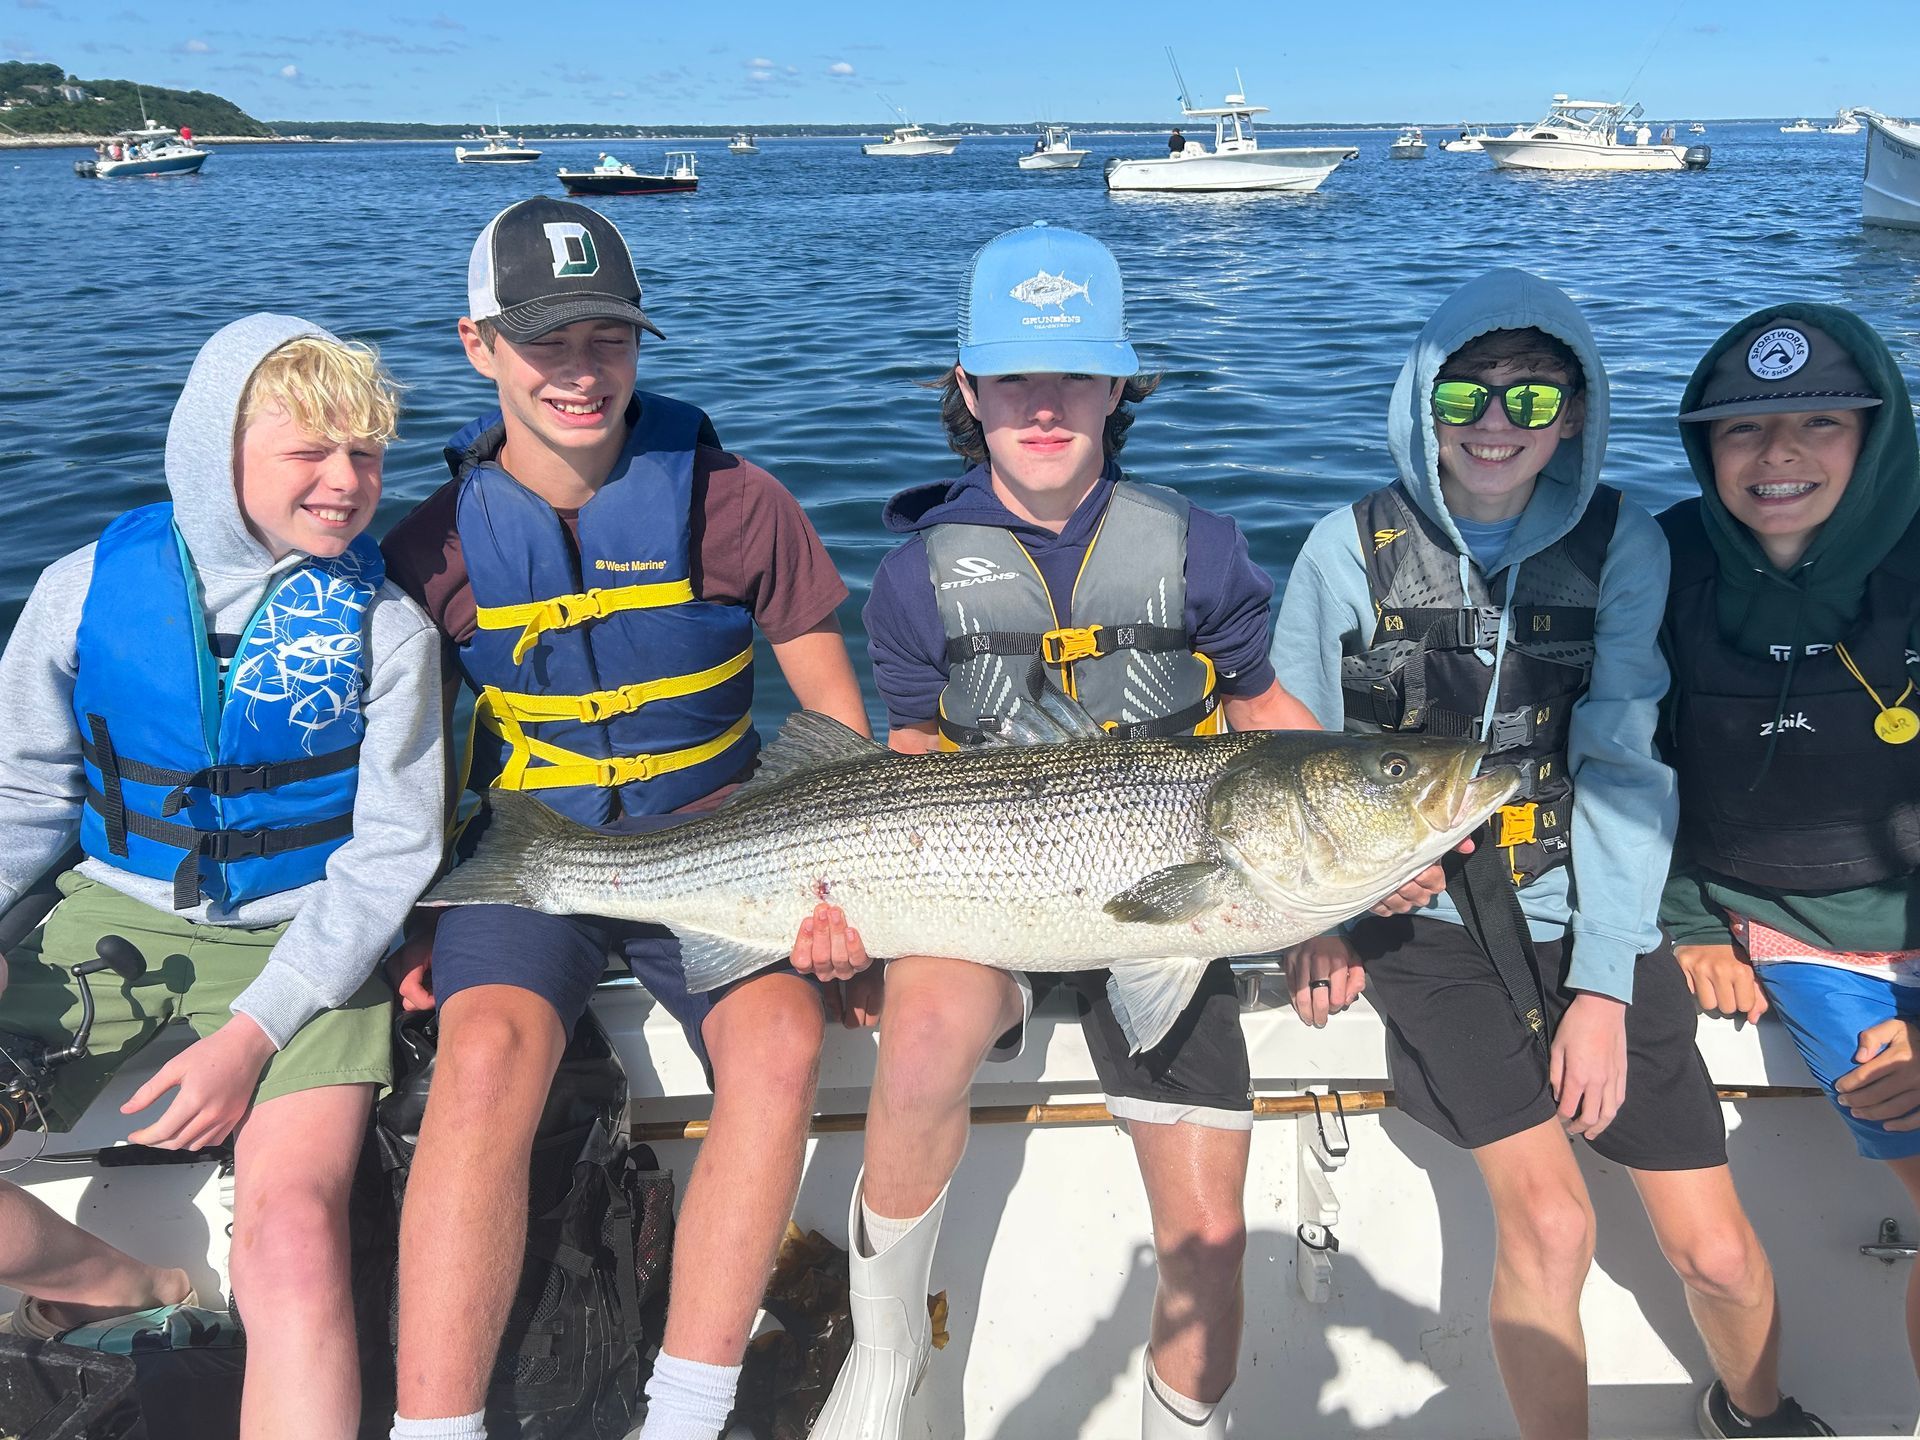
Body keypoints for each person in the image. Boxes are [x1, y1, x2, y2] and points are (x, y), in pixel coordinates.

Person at [803, 222, 1444, 1440]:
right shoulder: (910, 577)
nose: (1045, 407)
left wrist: (1350, 877)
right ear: (968, 392)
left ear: (1118, 390)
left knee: (1207, 1231)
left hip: (1181, 899)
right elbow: (911, 759)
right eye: (1013, 381)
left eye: (1075, 378)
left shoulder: (1196, 544)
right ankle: (883, 1360)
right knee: (930, 1021)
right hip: (990, 884)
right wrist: (858, 916)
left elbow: (1265, 717)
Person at [1269, 269, 1832, 1440]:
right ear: (1424, 401)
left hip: (1592, 914)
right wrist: (1318, 920)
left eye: (1533, 403)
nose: (1494, 425)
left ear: (1575, 416)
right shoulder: (1344, 548)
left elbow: (1626, 764)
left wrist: (1605, 984)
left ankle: (1758, 1413)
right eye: (1466, 394)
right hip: (1419, 925)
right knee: (1553, 1224)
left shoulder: (1621, 544)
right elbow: (1283, 767)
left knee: (1721, 1253)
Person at [379, 197, 868, 1440]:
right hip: (533, 845)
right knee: (482, 1059)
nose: (580, 373)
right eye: (546, 342)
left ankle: (687, 1411)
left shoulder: (739, 502)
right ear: (478, 345)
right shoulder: (429, 548)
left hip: (729, 843)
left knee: (777, 1050)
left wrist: (841, 896)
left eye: (608, 338)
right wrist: (413, 923)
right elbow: (410, 757)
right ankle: (437, 1426)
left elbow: (831, 715)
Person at [0, 315, 445, 1440]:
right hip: (111, 914)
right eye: (311, 452)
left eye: (368, 455)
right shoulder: (80, 589)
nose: (347, 483)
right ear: (219, 452)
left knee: (293, 1236)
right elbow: (24, 794)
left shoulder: (387, 630)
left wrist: (253, 1034)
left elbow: (393, 851)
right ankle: (129, 1284)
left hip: (308, 946)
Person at [1660, 305, 1920, 1409]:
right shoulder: (1666, 562)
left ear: (1881, 434)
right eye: (1742, 429)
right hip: (1800, 935)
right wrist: (1684, 925)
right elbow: (1623, 757)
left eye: (1822, 419)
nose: (1779, 455)